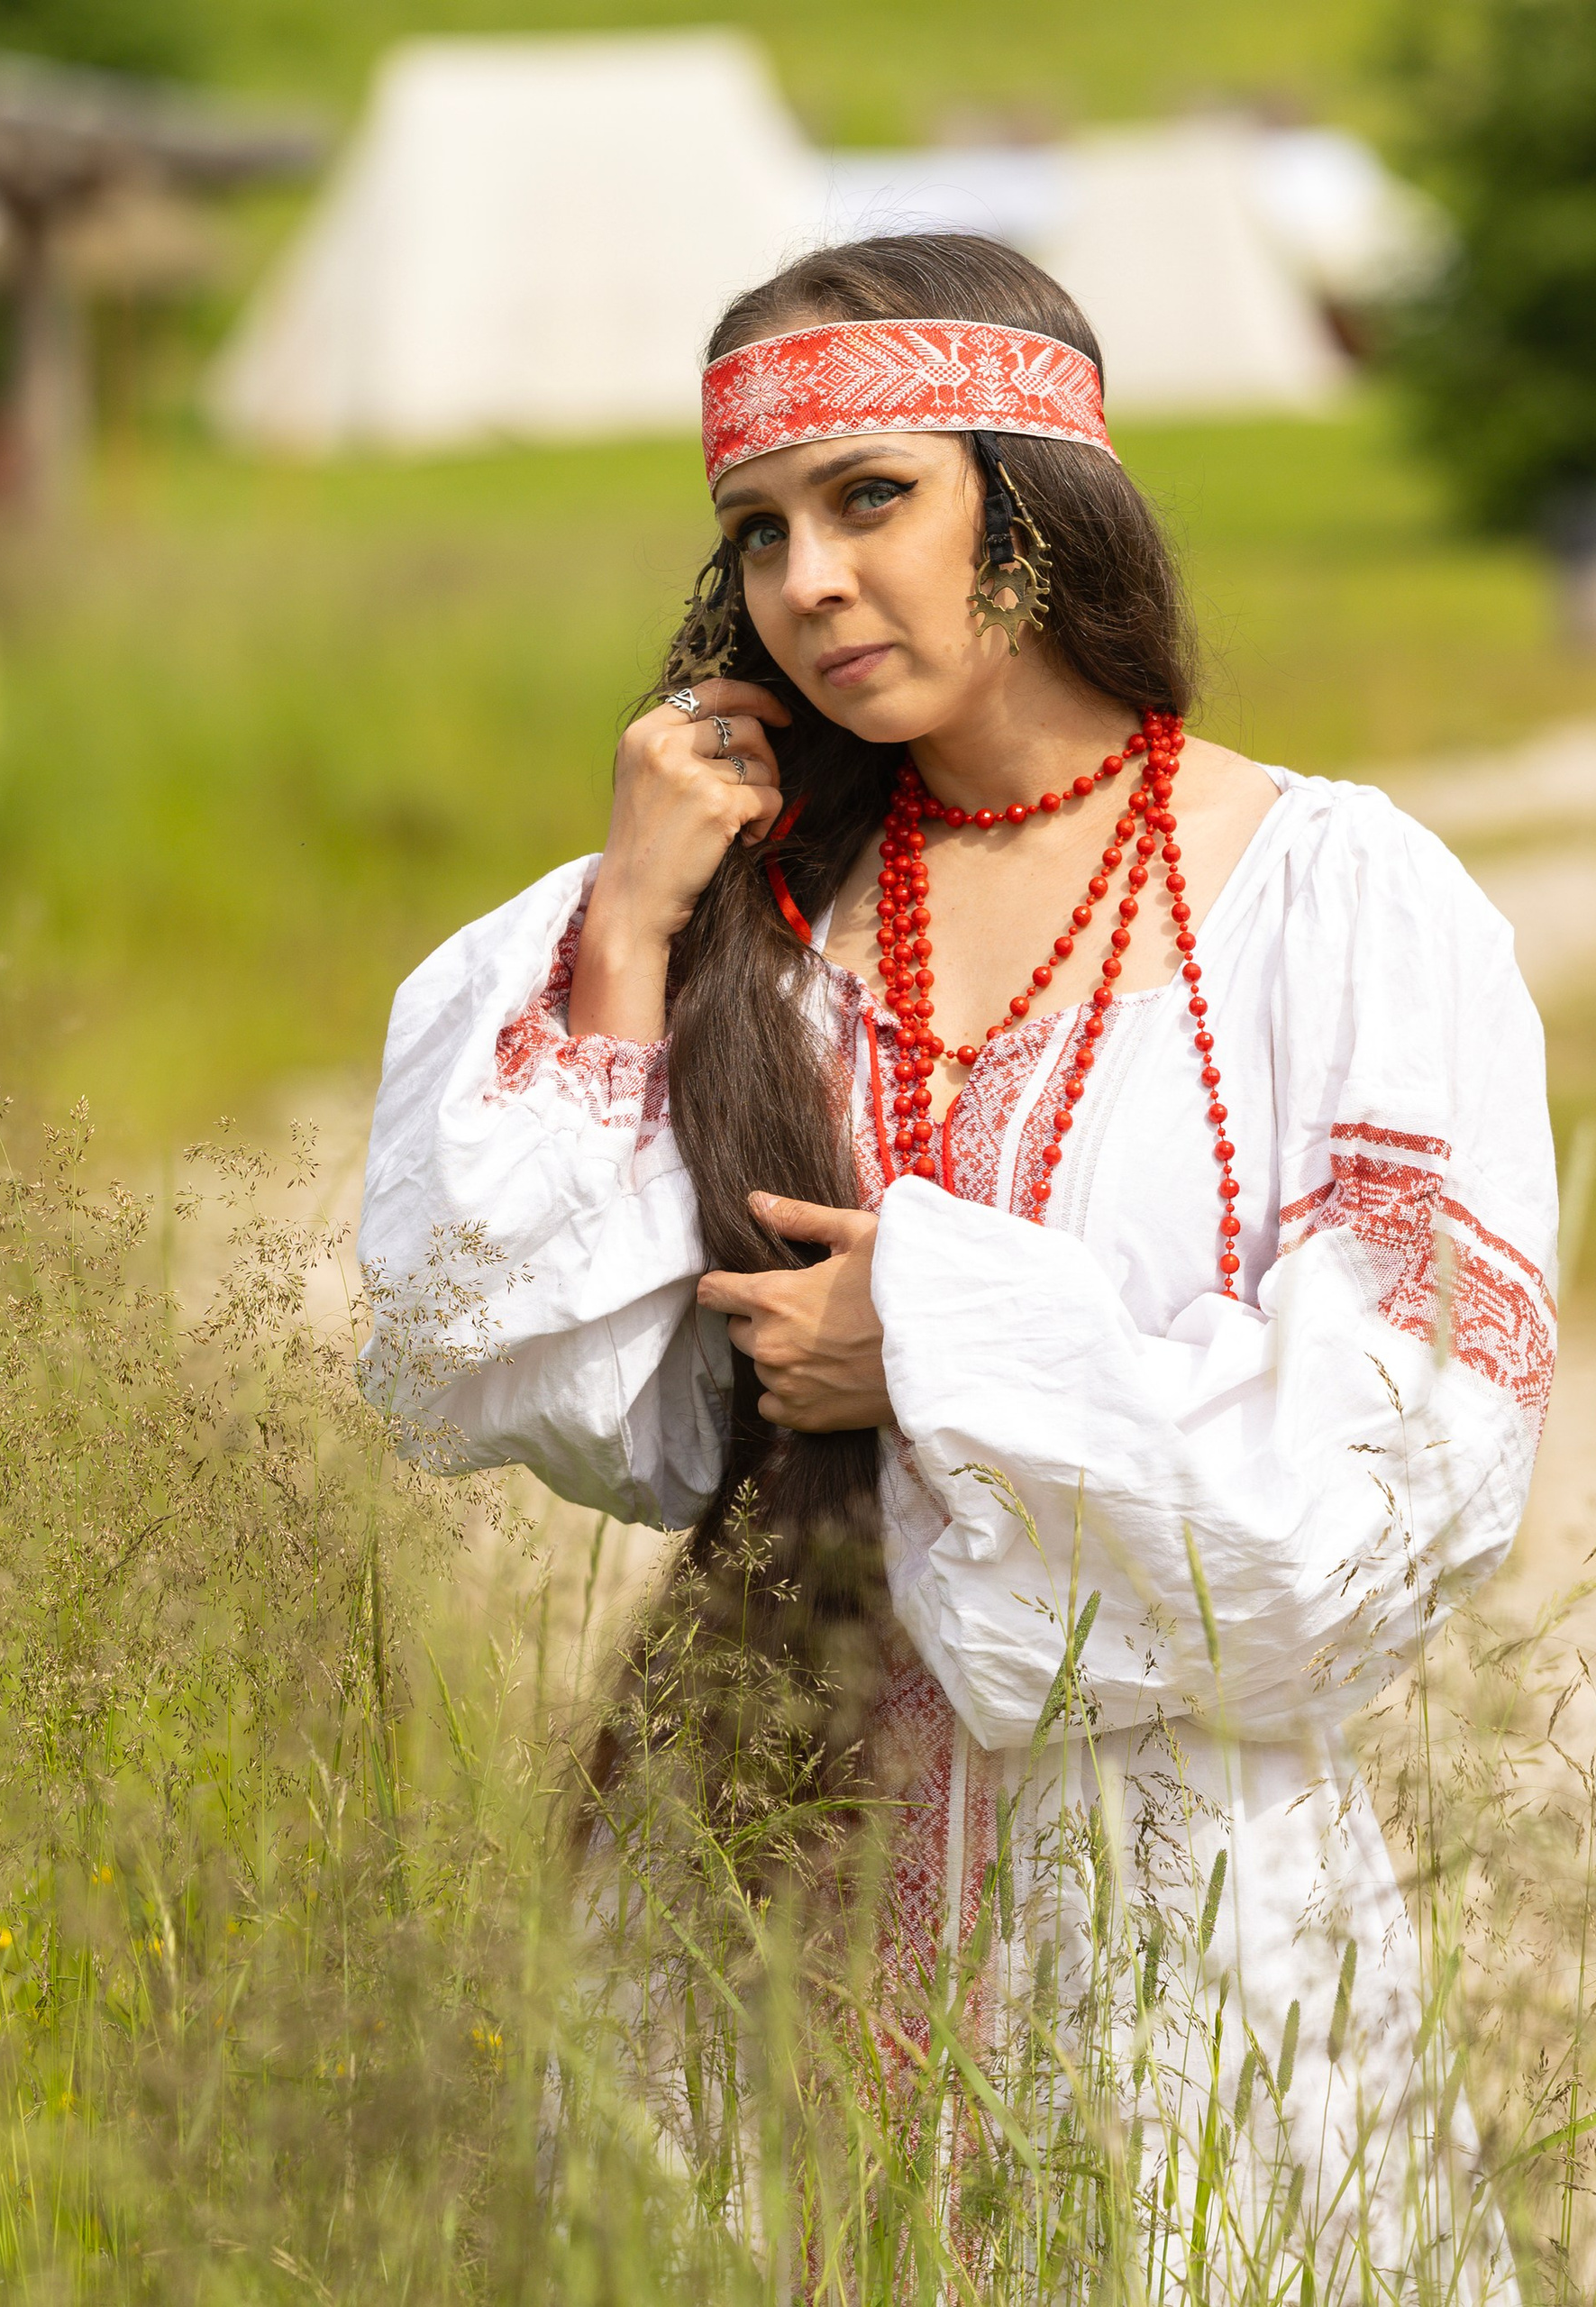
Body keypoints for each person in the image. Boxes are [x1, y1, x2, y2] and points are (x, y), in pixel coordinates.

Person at [357, 234, 1557, 2291]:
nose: (803, 578)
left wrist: (933, 1334)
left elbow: (1387, 1479)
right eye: (754, 530)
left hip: (1163, 1895)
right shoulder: (738, 912)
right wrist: (634, 937)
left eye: (868, 497)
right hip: (738, 1860)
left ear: (1035, 495)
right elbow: (467, 1354)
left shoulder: (1331, 905)